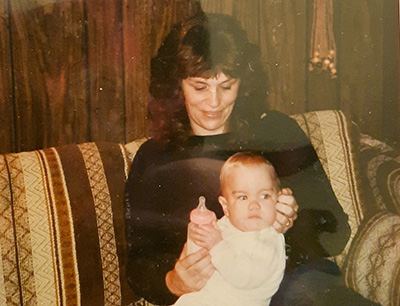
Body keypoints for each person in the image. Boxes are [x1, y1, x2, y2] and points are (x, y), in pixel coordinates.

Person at [125, 12, 377, 306]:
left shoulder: (275, 131)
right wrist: (173, 281)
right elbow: (138, 265)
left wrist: (293, 224)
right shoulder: (155, 159)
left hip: (295, 288)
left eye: (227, 85)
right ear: (177, 86)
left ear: (243, 83)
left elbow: (338, 232)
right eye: (200, 87)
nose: (214, 102)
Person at [173, 151, 286, 306]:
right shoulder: (230, 223)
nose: (254, 205)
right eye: (243, 197)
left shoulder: (268, 242)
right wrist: (207, 228)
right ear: (226, 206)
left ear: (277, 200)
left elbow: (243, 277)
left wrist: (216, 244)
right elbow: (212, 241)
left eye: (264, 196)